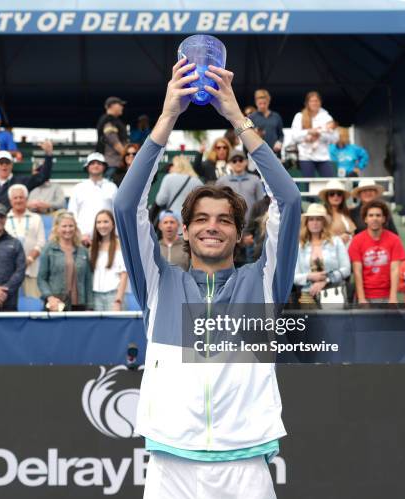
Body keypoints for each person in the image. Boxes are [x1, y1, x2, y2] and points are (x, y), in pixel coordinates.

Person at [114, 59, 301, 498]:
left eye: (222, 220)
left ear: (239, 233)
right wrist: (167, 117)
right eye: (199, 219)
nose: (211, 226)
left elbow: (289, 202)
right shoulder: (158, 285)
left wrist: (238, 118)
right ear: (185, 229)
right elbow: (127, 207)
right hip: (170, 463)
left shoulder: (264, 282)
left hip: (246, 463)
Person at [348, 200, 405, 304]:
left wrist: (393, 297)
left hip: (387, 296)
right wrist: (361, 299)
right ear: (365, 219)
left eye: (378, 215)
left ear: (383, 219)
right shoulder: (357, 240)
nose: (374, 218)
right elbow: (357, 271)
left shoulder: (394, 240)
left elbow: (395, 270)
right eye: (371, 215)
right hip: (365, 296)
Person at [293, 203, 351, 305]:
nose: (315, 223)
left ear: (324, 222)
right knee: (309, 321)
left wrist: (327, 280)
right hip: (308, 296)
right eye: (311, 219)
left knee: (333, 321)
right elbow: (293, 276)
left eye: (318, 219)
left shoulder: (336, 241)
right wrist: (310, 276)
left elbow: (346, 269)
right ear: (306, 223)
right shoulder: (299, 246)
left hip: (333, 294)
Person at [37, 211, 92, 311]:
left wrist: (90, 306)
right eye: (64, 226)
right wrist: (50, 297)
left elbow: (88, 280)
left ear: (75, 228)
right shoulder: (49, 249)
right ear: (57, 228)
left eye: (71, 226)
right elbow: (41, 279)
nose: (68, 229)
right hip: (56, 304)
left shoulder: (83, 251)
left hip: (79, 304)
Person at [67, 152, 117, 246]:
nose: (96, 165)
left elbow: (116, 213)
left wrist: (115, 235)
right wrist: (79, 235)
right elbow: (72, 213)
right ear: (87, 167)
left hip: (107, 238)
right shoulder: (78, 187)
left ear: (104, 167)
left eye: (99, 163)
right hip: (83, 240)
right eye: (92, 163)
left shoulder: (112, 187)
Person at [0, 143, 53, 210]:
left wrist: (49, 155)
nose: (4, 165)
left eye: (7, 162)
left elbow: (43, 176)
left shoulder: (22, 182)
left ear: (12, 165)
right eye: (1, 163)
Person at [5, 184, 46, 298]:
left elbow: (41, 243)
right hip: (10, 272)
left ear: (26, 199)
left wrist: (29, 260)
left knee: (33, 305)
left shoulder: (36, 218)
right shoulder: (5, 219)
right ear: (10, 200)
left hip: (31, 270)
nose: (18, 200)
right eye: (15, 198)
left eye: (21, 197)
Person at [290, 91, 338, 178]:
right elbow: (294, 136)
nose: (314, 103)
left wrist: (320, 135)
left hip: (323, 156)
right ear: (307, 103)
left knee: (330, 181)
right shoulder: (299, 116)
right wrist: (308, 132)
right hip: (305, 156)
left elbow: (335, 138)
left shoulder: (326, 117)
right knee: (308, 184)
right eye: (312, 101)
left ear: (320, 102)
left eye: (316, 101)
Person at [90, 210, 127, 311]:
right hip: (95, 296)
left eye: (106, 221)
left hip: (114, 295)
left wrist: (118, 300)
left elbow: (124, 276)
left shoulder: (121, 245)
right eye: (99, 222)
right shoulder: (93, 247)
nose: (102, 225)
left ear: (113, 224)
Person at [216, 149, 264, 221]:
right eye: (234, 161)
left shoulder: (255, 179)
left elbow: (261, 203)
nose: (238, 163)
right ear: (229, 164)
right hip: (229, 222)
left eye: (240, 160)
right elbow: (216, 202)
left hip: (251, 225)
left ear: (246, 162)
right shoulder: (222, 181)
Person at [96, 96, 128, 178]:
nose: (122, 107)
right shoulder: (109, 120)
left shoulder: (114, 120)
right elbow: (114, 142)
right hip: (112, 163)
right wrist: (127, 155)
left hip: (115, 163)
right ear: (112, 105)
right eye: (120, 104)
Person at [317, 179, 356, 245]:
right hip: (332, 251)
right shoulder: (322, 213)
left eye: (339, 194)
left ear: (342, 197)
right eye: (332, 194)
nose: (336, 196)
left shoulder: (346, 212)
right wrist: (338, 239)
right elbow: (317, 237)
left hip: (348, 251)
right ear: (327, 197)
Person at [249, 89, 284, 156]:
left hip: (274, 152)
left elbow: (281, 135)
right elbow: (239, 131)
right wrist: (252, 132)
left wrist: (279, 142)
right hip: (257, 152)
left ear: (268, 102)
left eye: (264, 103)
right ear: (256, 102)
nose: (262, 106)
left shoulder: (276, 116)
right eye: (260, 103)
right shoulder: (251, 117)